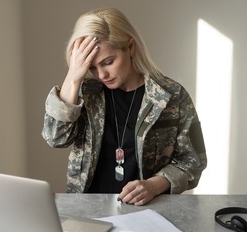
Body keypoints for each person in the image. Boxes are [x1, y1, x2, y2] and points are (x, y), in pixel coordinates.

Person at [42, 7, 207, 205]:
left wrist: (154, 185)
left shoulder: (171, 96)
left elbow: (193, 161)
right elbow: (55, 138)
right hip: (87, 210)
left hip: (148, 212)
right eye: (91, 67)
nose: (101, 75)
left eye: (108, 62)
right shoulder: (84, 94)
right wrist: (73, 77)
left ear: (130, 47)